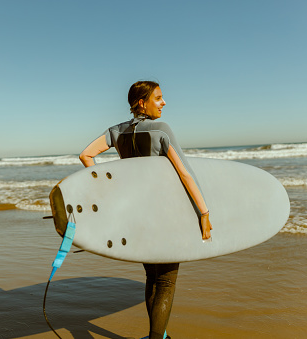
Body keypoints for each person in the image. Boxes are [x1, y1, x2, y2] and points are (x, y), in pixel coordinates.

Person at [79, 80, 212, 339]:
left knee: (152, 277)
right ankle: (156, 338)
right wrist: (204, 213)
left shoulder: (116, 131)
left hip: (136, 217)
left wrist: (107, 187)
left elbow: (86, 155)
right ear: (142, 102)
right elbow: (185, 174)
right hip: (165, 216)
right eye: (159, 98)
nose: (164, 103)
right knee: (166, 281)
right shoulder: (161, 129)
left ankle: (157, 335)